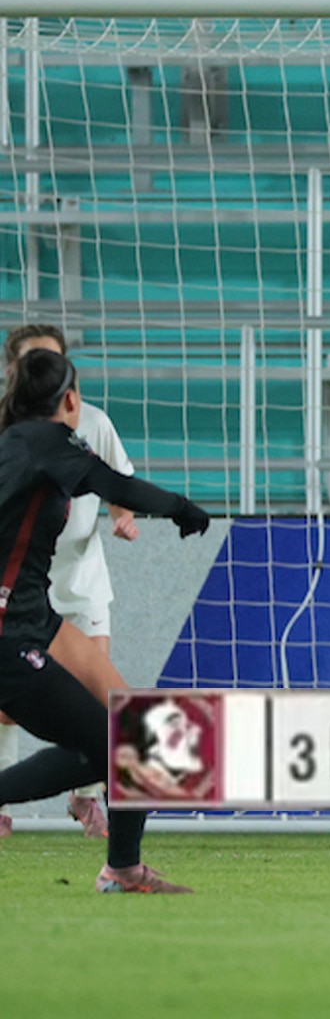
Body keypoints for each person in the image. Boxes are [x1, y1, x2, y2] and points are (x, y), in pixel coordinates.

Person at [0, 348, 210, 891]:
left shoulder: (15, 444)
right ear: (70, 399)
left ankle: (123, 868)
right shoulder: (48, 442)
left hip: (34, 618)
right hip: (8, 632)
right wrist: (184, 509)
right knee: (119, 745)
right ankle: (122, 868)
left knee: (134, 729)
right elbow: (117, 485)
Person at [0, 325, 137, 840]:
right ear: (15, 372)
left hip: (80, 580)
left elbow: (118, 483)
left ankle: (89, 802)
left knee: (109, 702)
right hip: (17, 590)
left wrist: (125, 515)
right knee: (9, 710)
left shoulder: (93, 423)